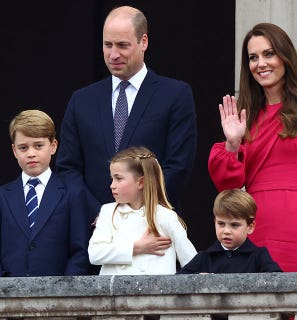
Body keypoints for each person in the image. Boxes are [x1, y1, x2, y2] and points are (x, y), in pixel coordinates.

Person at [57, 5, 197, 255]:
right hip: (96, 233)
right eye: (107, 45)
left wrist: (139, 213)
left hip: (153, 234)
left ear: (144, 41)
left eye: (122, 45)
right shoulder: (82, 101)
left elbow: (178, 165)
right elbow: (68, 168)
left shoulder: (175, 95)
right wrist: (103, 213)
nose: (113, 54)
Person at [208, 23, 297, 272]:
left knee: (287, 307)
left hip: (293, 224)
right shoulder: (244, 117)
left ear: (285, 56)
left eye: (269, 54)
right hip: (250, 226)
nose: (261, 63)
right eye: (253, 57)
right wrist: (232, 143)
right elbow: (228, 187)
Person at [0, 110, 90, 277]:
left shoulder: (72, 194)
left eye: (38, 146)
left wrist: (65, 292)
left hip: (58, 294)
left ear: (53, 146)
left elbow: (80, 251)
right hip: (8, 294)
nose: (31, 153)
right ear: (14, 151)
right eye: (23, 147)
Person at [88, 146, 196, 275]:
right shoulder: (108, 212)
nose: (112, 185)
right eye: (112, 179)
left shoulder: (166, 217)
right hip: (115, 294)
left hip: (155, 294)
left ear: (141, 182)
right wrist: (136, 248)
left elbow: (191, 261)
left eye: (118, 178)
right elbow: (94, 254)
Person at [178, 189, 282, 274]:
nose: (226, 231)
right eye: (221, 224)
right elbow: (177, 281)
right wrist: (197, 279)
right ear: (214, 222)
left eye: (234, 225)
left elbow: (278, 281)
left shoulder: (259, 256)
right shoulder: (205, 257)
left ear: (250, 227)